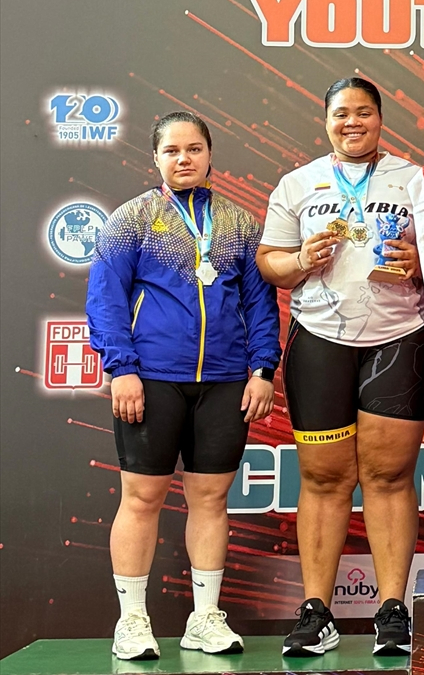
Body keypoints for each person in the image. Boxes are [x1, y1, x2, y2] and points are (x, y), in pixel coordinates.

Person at [86, 111, 280, 660]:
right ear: (155, 158)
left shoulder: (239, 224)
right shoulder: (132, 220)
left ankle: (205, 619)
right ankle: (132, 621)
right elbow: (105, 299)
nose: (184, 158)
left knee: (211, 499)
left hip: (225, 381)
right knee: (141, 498)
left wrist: (262, 370)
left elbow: (260, 305)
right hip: (151, 379)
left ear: (210, 154)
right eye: (172, 150)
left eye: (194, 148)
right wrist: (122, 368)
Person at [256, 77, 424, 657]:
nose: (351, 122)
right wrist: (299, 259)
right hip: (320, 342)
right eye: (341, 113)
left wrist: (421, 263)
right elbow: (269, 263)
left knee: (389, 477)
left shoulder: (416, 179)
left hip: (401, 340)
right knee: (323, 479)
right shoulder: (298, 182)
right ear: (326, 120)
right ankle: (317, 612)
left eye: (363, 112)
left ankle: (392, 611)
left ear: (381, 119)